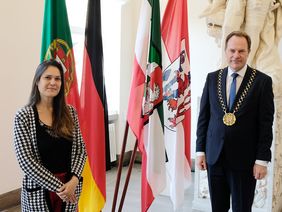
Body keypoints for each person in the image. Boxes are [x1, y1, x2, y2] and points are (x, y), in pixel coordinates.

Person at [196, 31, 274, 212]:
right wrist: (200, 150)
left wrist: (262, 160)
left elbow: (265, 124)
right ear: (226, 51)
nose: (236, 55)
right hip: (214, 157)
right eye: (232, 50)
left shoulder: (262, 82)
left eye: (241, 51)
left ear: (248, 52)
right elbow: (204, 118)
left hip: (244, 160)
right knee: (218, 208)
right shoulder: (212, 78)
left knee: (242, 209)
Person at [13, 59, 86, 211]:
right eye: (48, 77)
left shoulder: (70, 112)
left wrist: (73, 180)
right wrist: (61, 188)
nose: (53, 82)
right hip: (40, 188)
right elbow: (26, 161)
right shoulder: (23, 116)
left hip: (70, 185)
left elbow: (80, 150)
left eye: (57, 78)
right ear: (37, 81)